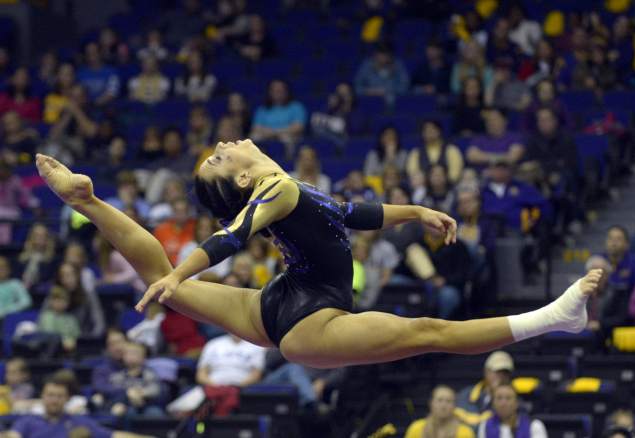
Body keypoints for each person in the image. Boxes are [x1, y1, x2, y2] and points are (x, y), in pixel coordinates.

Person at [35, 143, 602, 370]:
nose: (226, 145)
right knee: (428, 331)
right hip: (312, 318)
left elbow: (352, 213)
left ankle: (89, 201)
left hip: (279, 304)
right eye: (218, 157)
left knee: (159, 276)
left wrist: (416, 211)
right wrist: (184, 272)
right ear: (240, 174)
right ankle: (554, 318)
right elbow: (234, 235)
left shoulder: (291, 187)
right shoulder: (274, 191)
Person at [6, 375, 152, 438]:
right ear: (43, 397)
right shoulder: (27, 421)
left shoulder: (80, 422)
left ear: (68, 399)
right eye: (50, 395)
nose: (54, 400)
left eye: (59, 396)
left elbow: (114, 436)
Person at [456, 351, 514, 427]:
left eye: (505, 373)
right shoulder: (466, 395)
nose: (501, 376)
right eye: (497, 372)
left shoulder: (514, 402)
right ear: (486, 371)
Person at [477, 383, 548, 437]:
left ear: (516, 403)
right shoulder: (485, 425)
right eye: (499, 398)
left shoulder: (534, 426)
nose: (503, 403)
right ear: (493, 404)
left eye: (508, 398)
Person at [405, 385, 474, 438]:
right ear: (431, 403)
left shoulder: (465, 433)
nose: (443, 406)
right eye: (439, 400)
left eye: (448, 401)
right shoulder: (416, 428)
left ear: (454, 406)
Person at [0, 255, 32, 319]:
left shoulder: (15, 283)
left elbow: (26, 302)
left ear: (8, 270)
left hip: (10, 317)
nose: (1, 271)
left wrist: (6, 310)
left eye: (3, 268)